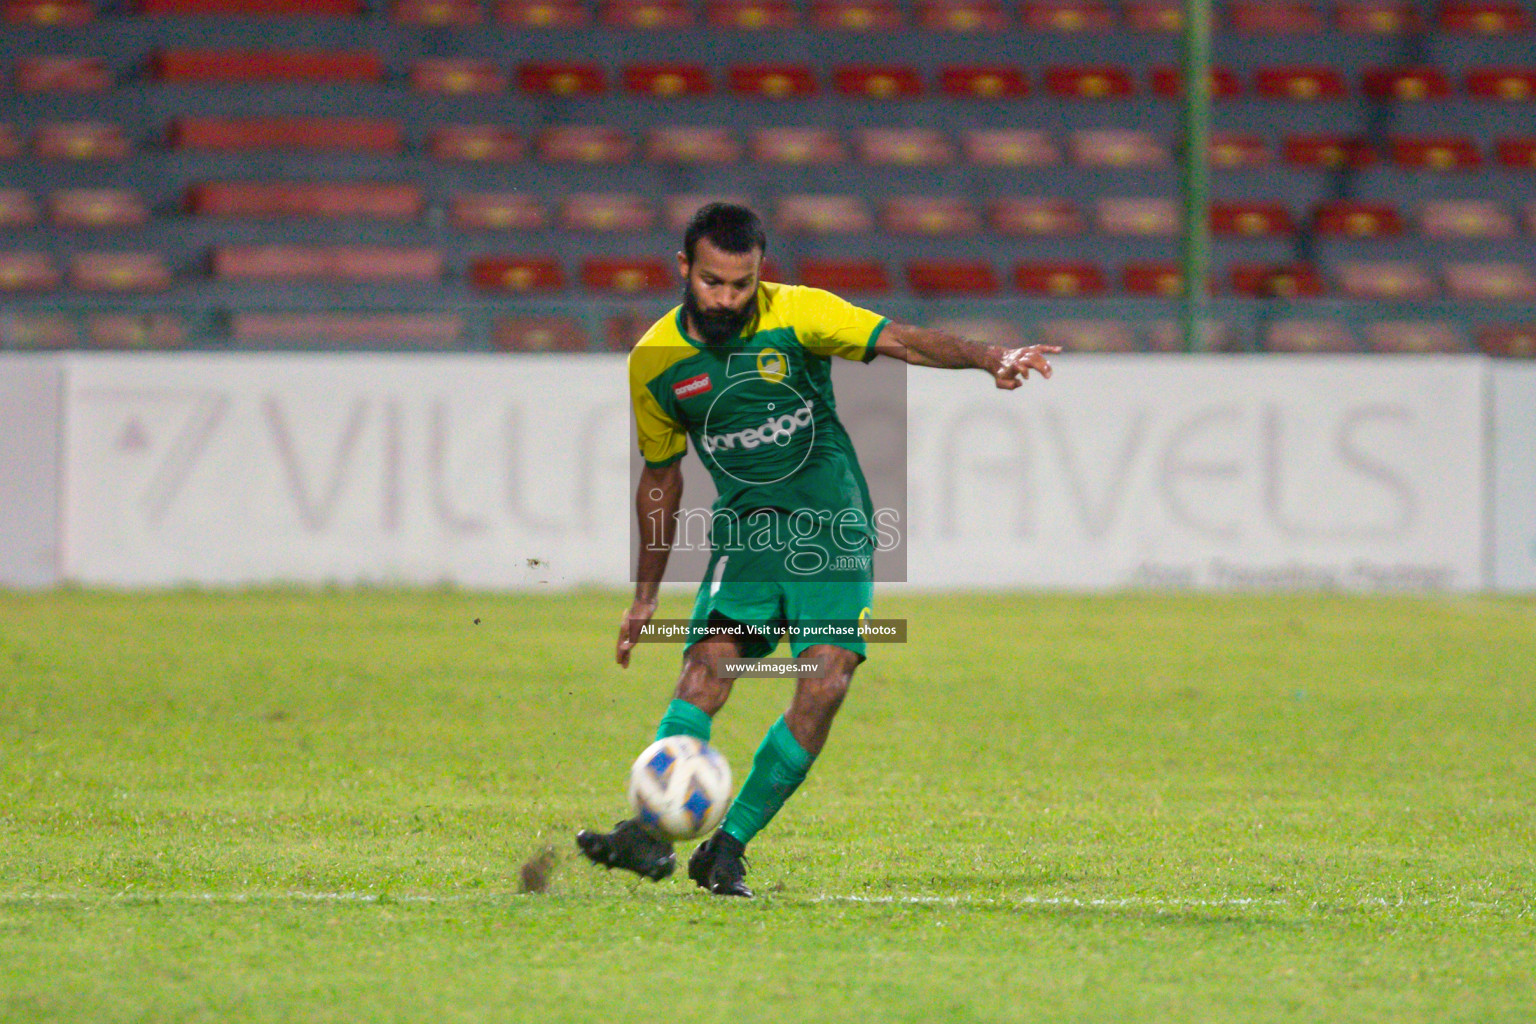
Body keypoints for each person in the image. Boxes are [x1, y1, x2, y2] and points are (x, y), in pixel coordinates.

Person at [577, 203, 1058, 897]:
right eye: (713, 282)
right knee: (706, 676)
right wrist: (645, 598)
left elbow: (902, 341)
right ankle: (646, 833)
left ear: (759, 275)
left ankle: (727, 847)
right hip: (747, 535)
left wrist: (990, 358)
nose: (727, 299)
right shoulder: (655, 361)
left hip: (832, 530)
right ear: (684, 269)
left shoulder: (799, 314)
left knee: (825, 682)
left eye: (741, 285)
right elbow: (661, 479)